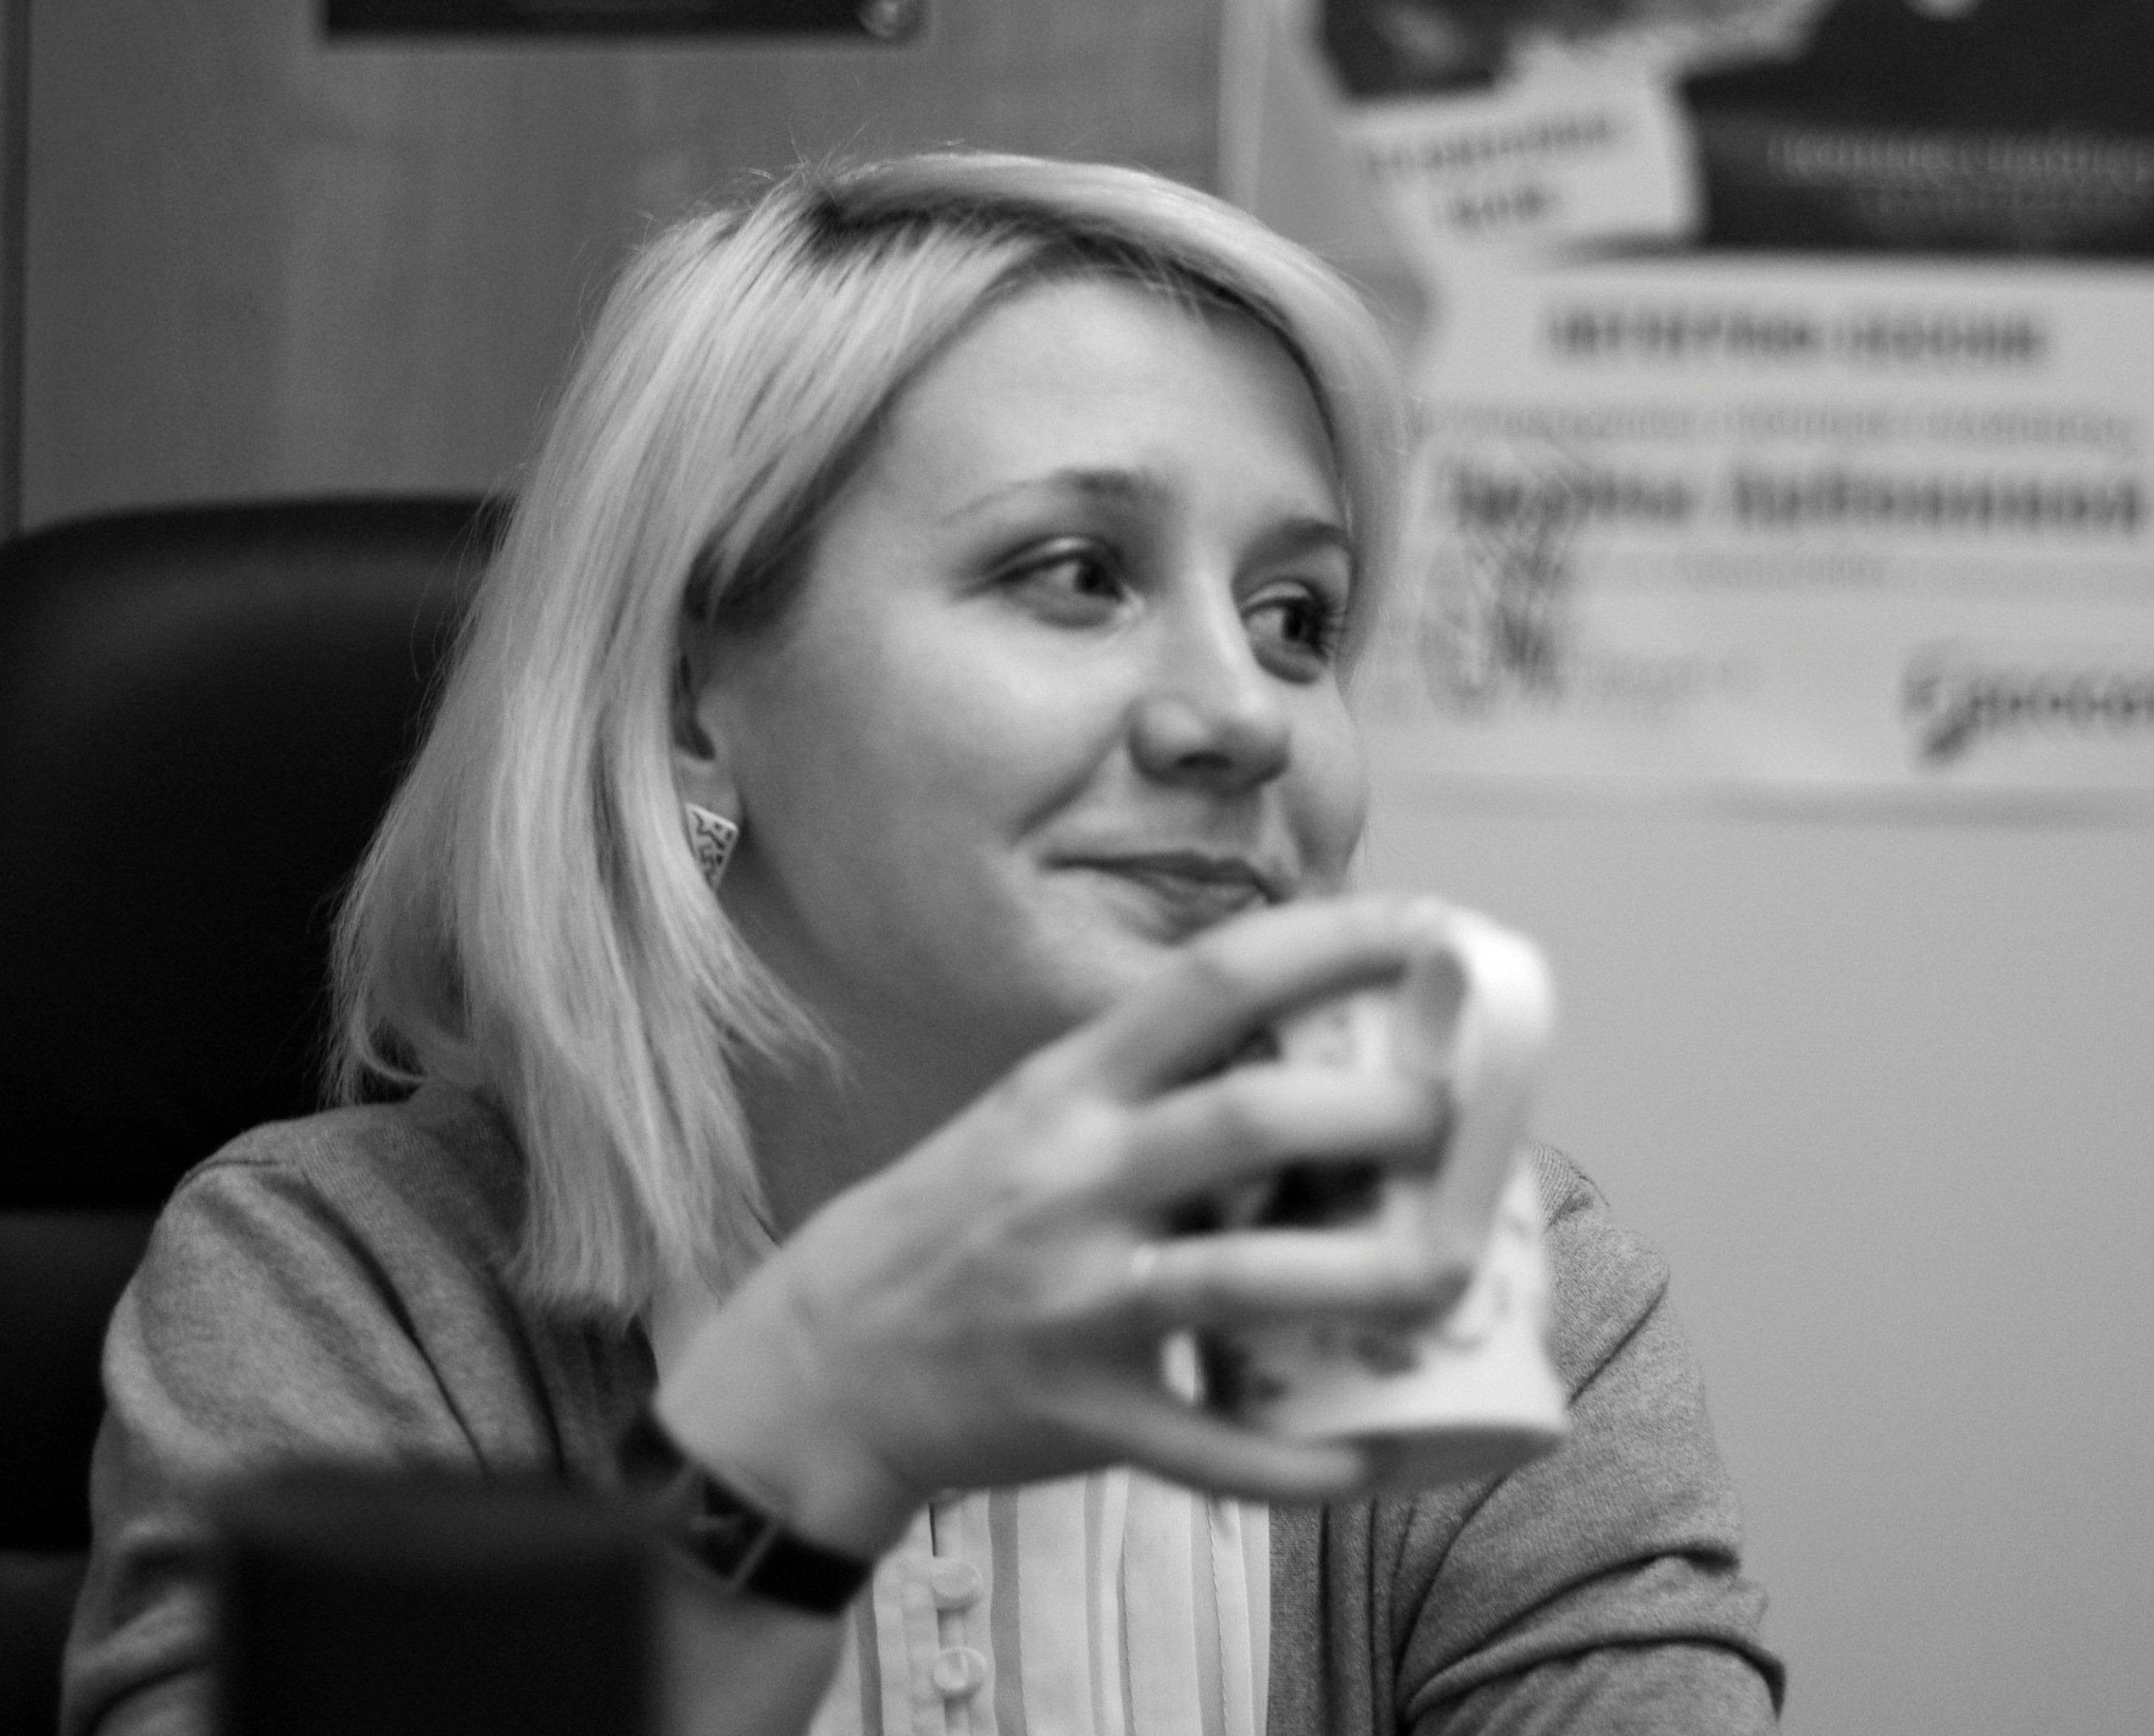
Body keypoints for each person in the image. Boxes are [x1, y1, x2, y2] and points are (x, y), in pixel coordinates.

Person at [62, 152, 1784, 1734]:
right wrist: (807, 1438)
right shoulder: (337, 1286)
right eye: (1075, 572)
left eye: (1294, 617)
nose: (1243, 717)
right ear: (688, 706)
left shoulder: (1480, 1279)